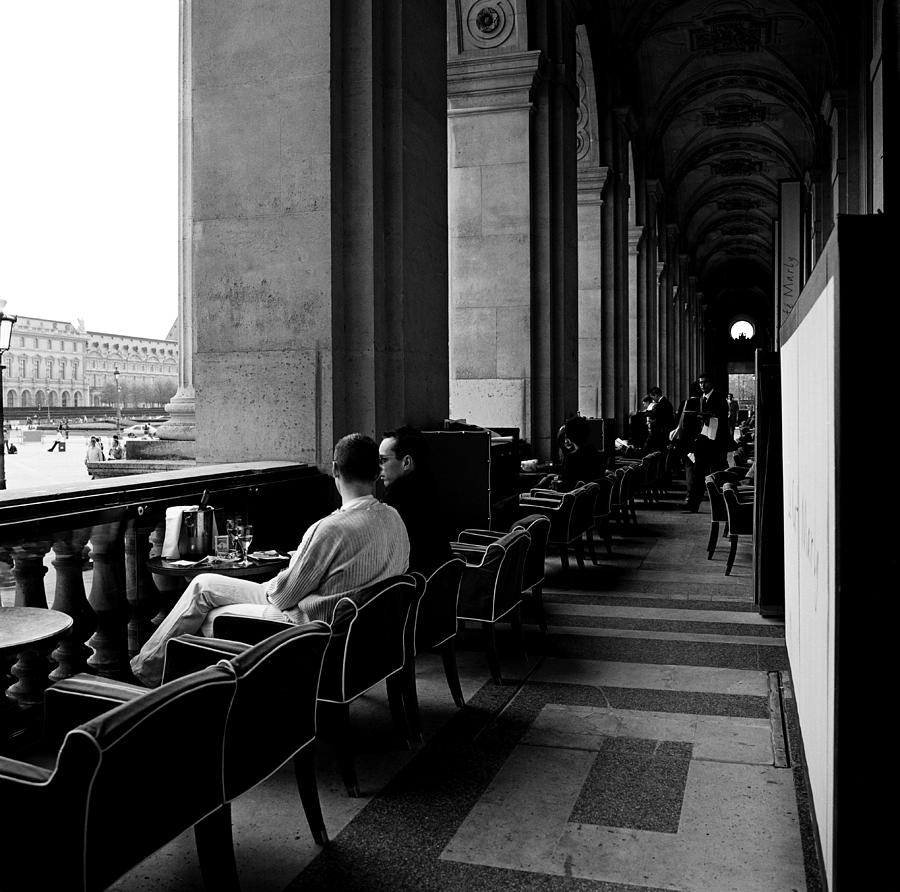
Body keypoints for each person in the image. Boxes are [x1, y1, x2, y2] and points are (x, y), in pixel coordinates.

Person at [130, 432, 410, 687]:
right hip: (365, 638)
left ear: (335, 469)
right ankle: (162, 675)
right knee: (205, 590)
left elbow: (284, 596)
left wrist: (287, 571)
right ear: (376, 472)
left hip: (311, 629)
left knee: (209, 607)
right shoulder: (394, 518)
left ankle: (147, 674)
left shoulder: (330, 529)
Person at [378, 426, 452, 575]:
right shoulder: (432, 490)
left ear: (406, 462)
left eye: (383, 460)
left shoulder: (396, 502)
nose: (378, 467)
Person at [683, 372, 731, 512]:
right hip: (702, 442)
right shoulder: (700, 399)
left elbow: (722, 418)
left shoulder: (720, 398)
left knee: (716, 475)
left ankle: (721, 507)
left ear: (711, 383)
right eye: (700, 383)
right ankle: (693, 505)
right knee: (698, 474)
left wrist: (707, 416)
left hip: (716, 443)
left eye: (705, 382)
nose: (702, 385)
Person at [540, 415, 606, 491]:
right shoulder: (600, 455)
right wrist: (556, 477)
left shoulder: (572, 458)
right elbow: (579, 477)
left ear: (569, 436)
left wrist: (553, 482)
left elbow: (567, 484)